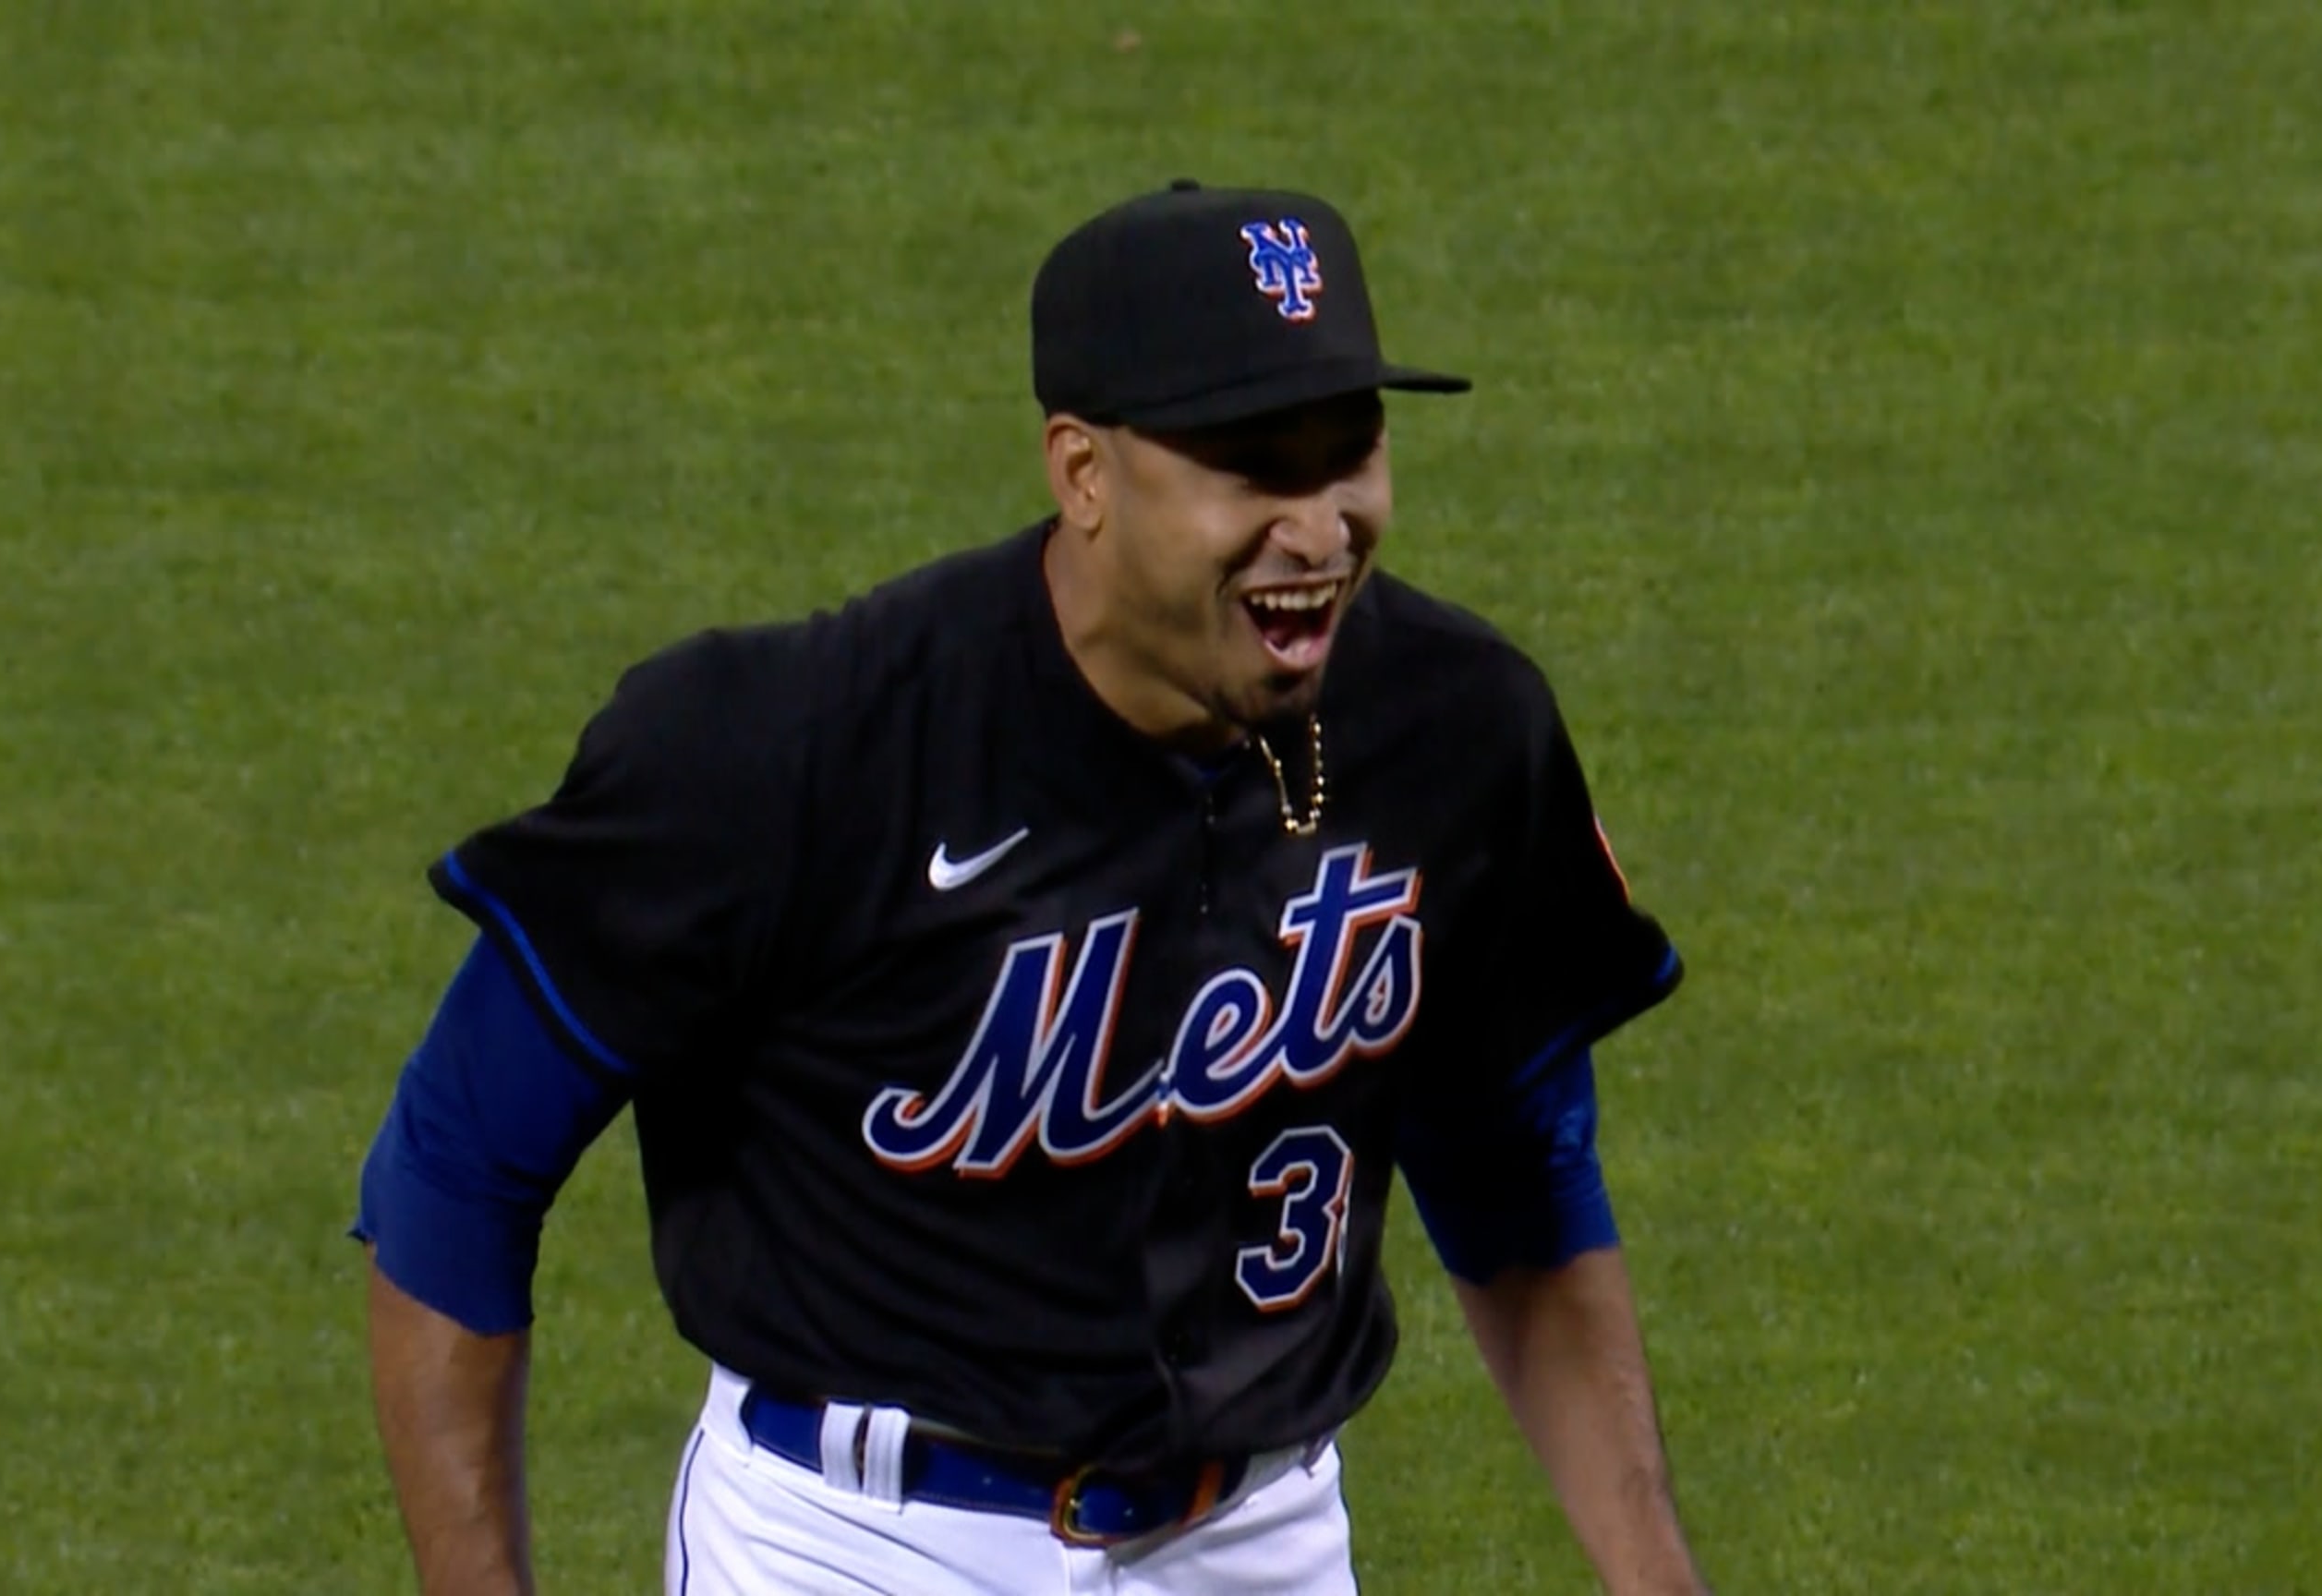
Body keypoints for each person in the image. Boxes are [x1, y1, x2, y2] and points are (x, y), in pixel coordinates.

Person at [355, 178, 1713, 1595]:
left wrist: (1657, 1577)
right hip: (858, 1543)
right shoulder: (790, 749)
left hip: (1261, 1541)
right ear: (1083, 474)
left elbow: (1520, 1180)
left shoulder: (1456, 733)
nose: (1317, 528)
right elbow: (457, 1163)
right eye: (1253, 466)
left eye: (1348, 454)